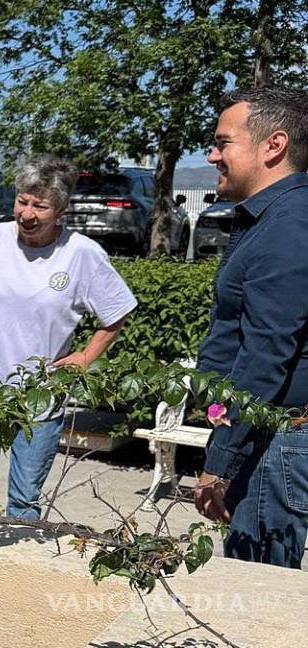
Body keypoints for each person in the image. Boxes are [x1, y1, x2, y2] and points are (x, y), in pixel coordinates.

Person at [0, 155, 137, 519]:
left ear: (61, 210)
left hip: (41, 396)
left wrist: (87, 357)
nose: (27, 214)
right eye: (22, 201)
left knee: (25, 500)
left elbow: (116, 313)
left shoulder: (81, 255)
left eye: (39, 206)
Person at [193, 86, 308, 568]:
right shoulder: (273, 219)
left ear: (273, 145)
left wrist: (221, 463)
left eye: (224, 142)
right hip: (264, 439)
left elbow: (266, 356)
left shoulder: (287, 227)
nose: (212, 153)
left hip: (272, 443)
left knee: (256, 591)